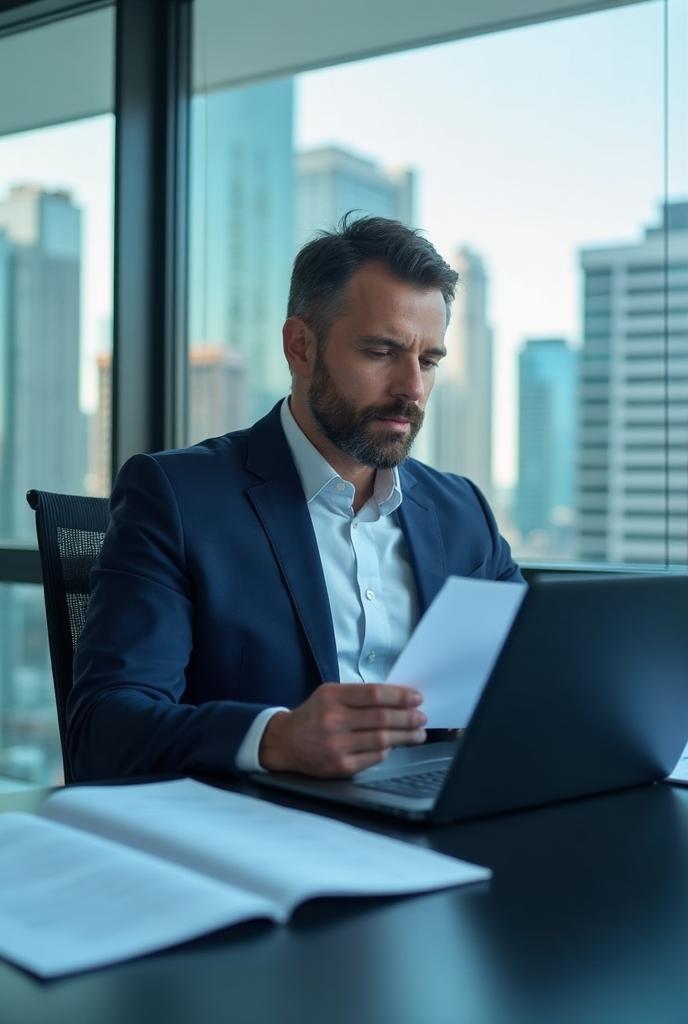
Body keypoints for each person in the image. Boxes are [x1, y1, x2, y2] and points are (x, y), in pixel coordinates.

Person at [68, 216, 523, 781]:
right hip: (263, 834)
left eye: (429, 360)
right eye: (382, 352)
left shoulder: (463, 514)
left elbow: (531, 677)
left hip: (443, 817)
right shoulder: (177, 499)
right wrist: (275, 738)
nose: (412, 387)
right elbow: (103, 729)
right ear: (300, 346)